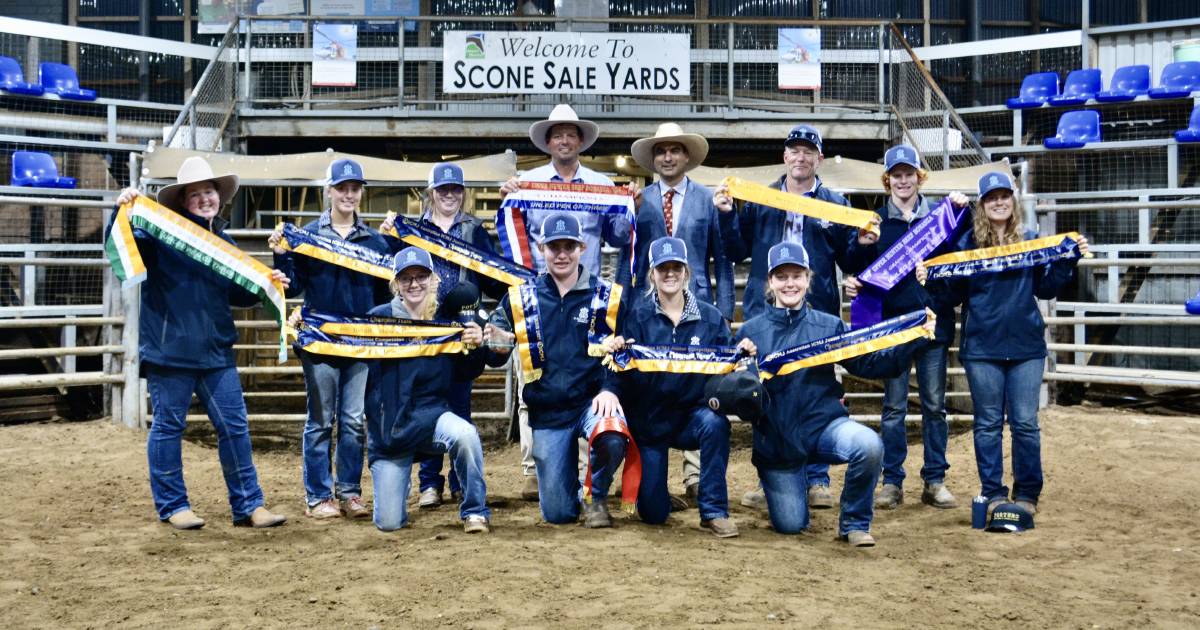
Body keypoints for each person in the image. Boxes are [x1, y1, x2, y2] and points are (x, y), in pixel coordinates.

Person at [112, 156, 287, 530]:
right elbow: (130, 245)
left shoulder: (223, 242)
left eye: (209, 191)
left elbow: (238, 294)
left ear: (218, 198)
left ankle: (249, 505)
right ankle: (173, 505)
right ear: (183, 202)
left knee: (235, 428)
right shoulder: (158, 233)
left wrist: (266, 283)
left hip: (216, 351)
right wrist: (124, 212)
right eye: (196, 194)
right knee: (168, 426)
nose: (205, 198)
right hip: (170, 351)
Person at [713, 124, 878, 511]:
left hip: (816, 313)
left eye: (809, 151)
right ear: (784, 157)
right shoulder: (758, 199)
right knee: (764, 392)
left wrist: (865, 246)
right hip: (765, 313)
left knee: (818, 388)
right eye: (794, 151)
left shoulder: (836, 203)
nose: (800, 157)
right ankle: (769, 472)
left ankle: (818, 477)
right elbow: (737, 249)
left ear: (818, 158)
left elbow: (848, 259)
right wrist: (724, 215)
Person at [737, 242, 933, 547]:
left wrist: (913, 339)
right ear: (770, 282)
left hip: (824, 427)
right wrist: (745, 368)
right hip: (777, 442)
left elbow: (868, 364)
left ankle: (854, 522)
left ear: (808, 279)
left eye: (797, 276)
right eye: (782, 276)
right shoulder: (751, 331)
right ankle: (781, 482)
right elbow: (740, 396)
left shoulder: (829, 325)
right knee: (791, 525)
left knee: (868, 445)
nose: (790, 283)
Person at [918, 171, 1088, 517]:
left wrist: (1068, 260)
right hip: (982, 348)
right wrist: (931, 281)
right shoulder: (967, 244)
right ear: (982, 204)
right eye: (991, 197)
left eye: (1004, 196)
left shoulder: (1031, 239)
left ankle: (1027, 492)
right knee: (988, 424)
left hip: (1026, 346)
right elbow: (953, 294)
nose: (998, 202)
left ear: (1012, 200)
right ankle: (993, 491)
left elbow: (1046, 289)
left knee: (1025, 423)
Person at [498, 104, 636, 500]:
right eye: (557, 134)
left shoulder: (602, 183)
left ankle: (587, 474)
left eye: (570, 134)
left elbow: (618, 235)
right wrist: (507, 199)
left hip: (589, 299)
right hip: (539, 299)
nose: (563, 140)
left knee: (589, 384)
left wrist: (629, 207)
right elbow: (513, 233)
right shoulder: (525, 182)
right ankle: (533, 466)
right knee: (535, 379)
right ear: (548, 141)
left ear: (580, 141)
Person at [842, 145, 970, 511]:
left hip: (932, 325)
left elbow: (961, 252)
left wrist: (962, 206)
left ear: (919, 177)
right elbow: (856, 267)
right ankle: (892, 481)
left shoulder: (943, 219)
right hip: (892, 328)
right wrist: (853, 275)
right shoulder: (874, 223)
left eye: (908, 173)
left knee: (934, 405)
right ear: (888, 180)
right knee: (894, 406)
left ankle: (935, 479)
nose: (902, 180)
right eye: (896, 175)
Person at [483, 213, 630, 528]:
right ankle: (570, 495)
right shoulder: (521, 298)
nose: (562, 254)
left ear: (582, 246)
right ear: (541, 248)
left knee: (613, 433)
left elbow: (623, 354)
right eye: (554, 247)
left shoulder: (608, 297)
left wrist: (609, 389)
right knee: (558, 514)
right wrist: (494, 345)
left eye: (569, 246)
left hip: (591, 402)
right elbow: (494, 354)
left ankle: (594, 495)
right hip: (548, 410)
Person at [619, 122, 735, 505]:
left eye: (674, 150)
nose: (667, 157)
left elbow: (722, 258)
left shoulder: (708, 199)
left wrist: (722, 307)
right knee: (655, 388)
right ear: (653, 159)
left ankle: (695, 477)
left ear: (687, 156)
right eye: (661, 151)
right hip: (651, 306)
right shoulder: (639, 199)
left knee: (698, 391)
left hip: (698, 308)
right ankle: (653, 475)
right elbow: (627, 251)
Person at [268, 158, 391, 520]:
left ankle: (349, 492)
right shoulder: (308, 235)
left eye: (354, 189)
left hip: (360, 340)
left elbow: (384, 295)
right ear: (329, 191)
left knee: (353, 419)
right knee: (321, 419)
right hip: (320, 339)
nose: (348, 194)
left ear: (360, 193)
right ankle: (319, 496)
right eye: (342, 188)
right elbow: (297, 284)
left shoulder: (376, 241)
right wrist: (281, 254)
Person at [380, 162, 505, 510]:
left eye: (455, 189)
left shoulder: (474, 229)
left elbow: (492, 273)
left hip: (461, 326)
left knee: (459, 401)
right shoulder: (414, 229)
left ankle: (460, 482)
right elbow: (389, 267)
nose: (449, 195)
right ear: (431, 193)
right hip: (423, 325)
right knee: (424, 402)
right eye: (442, 189)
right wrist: (389, 236)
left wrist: (498, 304)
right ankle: (429, 483)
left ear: (462, 194)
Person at [607, 237, 741, 537]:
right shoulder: (636, 317)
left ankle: (714, 510)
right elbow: (620, 367)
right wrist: (610, 384)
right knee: (654, 515)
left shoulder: (710, 317)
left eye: (676, 267)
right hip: (650, 421)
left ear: (687, 272)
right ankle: (656, 496)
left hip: (692, 417)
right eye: (662, 268)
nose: (670, 274)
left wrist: (741, 355)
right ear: (652, 274)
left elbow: (727, 363)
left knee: (715, 422)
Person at [366, 247, 491, 533]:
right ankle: (399, 478)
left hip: (432, 417)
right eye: (406, 278)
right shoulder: (375, 321)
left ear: (433, 280)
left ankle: (475, 511)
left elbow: (467, 372)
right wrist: (308, 333)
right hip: (390, 429)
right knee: (389, 523)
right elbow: (340, 348)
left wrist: (475, 346)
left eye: (421, 276)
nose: (414, 284)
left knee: (466, 435)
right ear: (395, 283)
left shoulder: (446, 323)